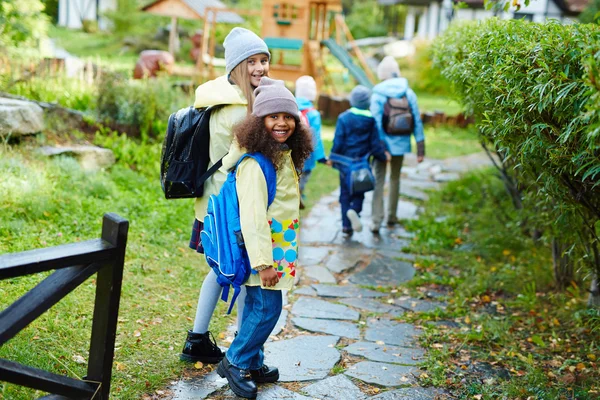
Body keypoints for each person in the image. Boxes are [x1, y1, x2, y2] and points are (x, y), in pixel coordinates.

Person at [216, 77, 313, 399]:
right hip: (264, 252)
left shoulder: (280, 154)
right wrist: (263, 263)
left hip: (277, 248)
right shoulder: (256, 165)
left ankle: (253, 361)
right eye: (273, 117)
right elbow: (253, 219)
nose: (282, 123)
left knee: (259, 303)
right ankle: (235, 361)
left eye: (287, 117)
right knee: (268, 308)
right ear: (259, 122)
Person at [181, 27, 271, 364]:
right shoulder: (241, 111)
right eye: (252, 61)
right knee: (245, 275)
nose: (261, 67)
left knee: (222, 272)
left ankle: (198, 339)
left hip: (212, 205)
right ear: (236, 67)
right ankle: (242, 349)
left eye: (264, 60)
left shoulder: (217, 100)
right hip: (232, 209)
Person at [370, 55, 425, 233]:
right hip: (401, 144)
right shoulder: (408, 92)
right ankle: (391, 217)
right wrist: (420, 149)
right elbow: (416, 120)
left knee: (379, 180)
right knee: (395, 178)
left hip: (382, 145)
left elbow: (375, 122)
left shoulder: (378, 93)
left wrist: (381, 147)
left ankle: (376, 221)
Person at [329, 85, 388, 236]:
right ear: (368, 103)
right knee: (359, 192)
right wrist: (383, 157)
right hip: (362, 164)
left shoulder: (343, 118)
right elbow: (375, 145)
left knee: (344, 194)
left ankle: (346, 227)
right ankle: (354, 210)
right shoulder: (371, 120)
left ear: (352, 101)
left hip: (345, 164)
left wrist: (333, 157)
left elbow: (338, 141)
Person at [294, 75, 326, 209]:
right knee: (304, 175)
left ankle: (294, 194)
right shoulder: (313, 114)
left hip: (292, 152)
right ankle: (299, 193)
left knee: (293, 174)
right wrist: (321, 157)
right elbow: (316, 137)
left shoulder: (291, 107)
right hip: (307, 155)